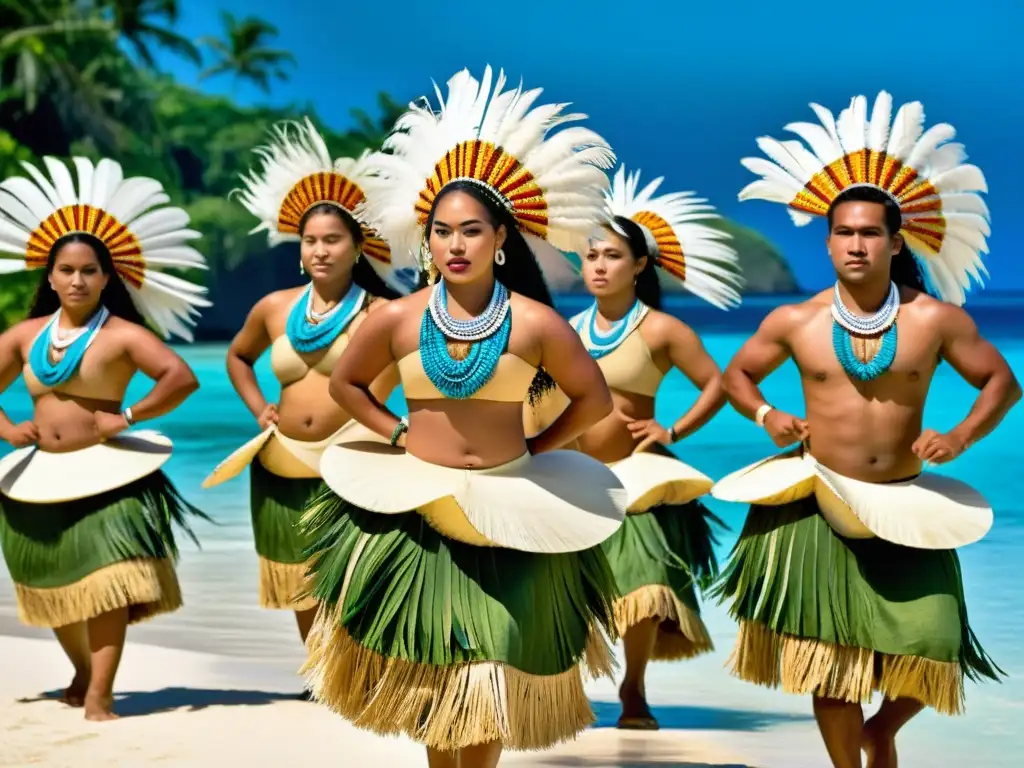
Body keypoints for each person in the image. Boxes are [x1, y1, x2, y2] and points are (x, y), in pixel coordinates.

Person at [298, 66, 628, 768]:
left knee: (486, 676)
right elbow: (348, 387)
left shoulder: (537, 324)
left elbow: (594, 400)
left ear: (500, 236)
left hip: (511, 508)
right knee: (436, 677)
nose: (455, 245)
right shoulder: (395, 318)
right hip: (418, 510)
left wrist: (541, 442)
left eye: (471, 231)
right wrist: (394, 431)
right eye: (442, 231)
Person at [710, 91, 1021, 768]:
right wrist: (768, 415)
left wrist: (960, 437)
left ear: (895, 240)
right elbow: (736, 377)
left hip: (906, 505)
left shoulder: (935, 321)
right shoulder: (796, 320)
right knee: (830, 663)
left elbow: (1002, 383)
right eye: (844, 233)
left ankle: (882, 732)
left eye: (870, 232)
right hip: (820, 503)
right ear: (827, 242)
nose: (856, 244)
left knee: (936, 640)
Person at [0, 156, 212, 720]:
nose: (77, 280)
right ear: (49, 276)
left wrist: (130, 414)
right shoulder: (23, 336)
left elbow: (181, 378)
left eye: (89, 271)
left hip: (107, 472)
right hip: (39, 475)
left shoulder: (122, 335)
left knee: (110, 586)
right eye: (66, 270)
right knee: (51, 583)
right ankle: (82, 673)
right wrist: (7, 428)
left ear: (106, 276)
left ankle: (100, 693)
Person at [202, 118, 410, 673]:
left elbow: (408, 368)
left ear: (358, 246)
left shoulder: (381, 311)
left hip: (353, 458)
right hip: (284, 458)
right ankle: (322, 674)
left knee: (352, 572)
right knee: (300, 575)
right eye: (311, 241)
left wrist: (382, 423)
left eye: (332, 240)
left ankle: (360, 670)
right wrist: (258, 408)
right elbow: (237, 358)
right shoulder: (274, 307)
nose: (320, 250)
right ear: (300, 248)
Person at [566, 164, 743, 729]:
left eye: (612, 256)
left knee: (643, 587)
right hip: (572, 474)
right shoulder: (566, 329)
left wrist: (674, 430)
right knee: (566, 589)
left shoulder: (662, 331)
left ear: (639, 265)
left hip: (638, 479)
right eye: (591, 255)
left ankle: (633, 687)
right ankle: (561, 688)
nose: (598, 265)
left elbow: (718, 382)